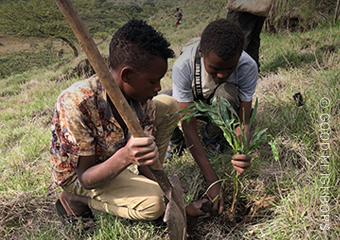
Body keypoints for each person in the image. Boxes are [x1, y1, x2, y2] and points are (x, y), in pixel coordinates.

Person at [50, 19, 181, 228]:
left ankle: (143, 185)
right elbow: (85, 178)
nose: (158, 87)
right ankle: (75, 200)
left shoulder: (142, 99)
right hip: (80, 175)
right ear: (127, 74)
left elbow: (146, 159)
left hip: (114, 157)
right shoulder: (77, 103)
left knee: (168, 104)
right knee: (153, 204)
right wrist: (126, 156)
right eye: (152, 81)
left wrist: (171, 196)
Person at [172, 18, 258, 214]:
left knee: (226, 93)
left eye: (230, 68)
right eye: (215, 68)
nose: (222, 74)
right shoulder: (183, 65)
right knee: (163, 102)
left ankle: (212, 139)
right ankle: (175, 143)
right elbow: (188, 124)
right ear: (201, 52)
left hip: (220, 102)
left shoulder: (247, 66)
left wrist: (242, 149)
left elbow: (244, 119)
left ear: (240, 56)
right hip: (194, 101)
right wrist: (212, 180)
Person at [226, 1, 273, 71]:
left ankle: (235, 74)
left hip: (245, 5)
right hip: (258, 5)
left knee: (235, 39)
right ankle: (251, 74)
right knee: (252, 41)